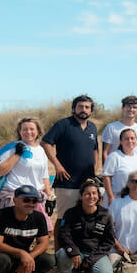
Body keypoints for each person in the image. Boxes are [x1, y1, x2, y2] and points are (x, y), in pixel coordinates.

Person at [42, 95, 100, 227]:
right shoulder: (63, 124)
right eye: (80, 107)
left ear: (91, 111)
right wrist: (58, 166)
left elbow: (95, 149)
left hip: (87, 182)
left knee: (84, 218)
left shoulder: (92, 127)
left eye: (87, 107)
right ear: (73, 108)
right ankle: (59, 248)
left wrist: (95, 168)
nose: (83, 110)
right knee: (63, 218)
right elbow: (46, 143)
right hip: (67, 182)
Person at [56, 179, 116, 273]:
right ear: (81, 196)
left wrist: (91, 260)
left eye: (94, 193)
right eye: (87, 193)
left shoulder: (105, 214)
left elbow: (109, 241)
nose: (91, 196)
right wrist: (73, 252)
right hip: (76, 252)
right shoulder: (71, 213)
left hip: (95, 254)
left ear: (98, 196)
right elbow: (64, 235)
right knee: (61, 254)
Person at [0, 117, 52, 216]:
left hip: (35, 198)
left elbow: (44, 177)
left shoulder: (41, 150)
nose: (28, 132)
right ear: (19, 132)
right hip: (13, 197)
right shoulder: (12, 148)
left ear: (38, 131)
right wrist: (17, 154)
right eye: (24, 129)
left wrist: (49, 197)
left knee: (43, 230)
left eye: (32, 129)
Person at [101, 128, 137, 206]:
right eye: (126, 139)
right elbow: (106, 177)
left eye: (132, 138)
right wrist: (111, 197)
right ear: (121, 141)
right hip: (116, 200)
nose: (130, 141)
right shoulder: (114, 156)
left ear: (136, 140)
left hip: (133, 201)